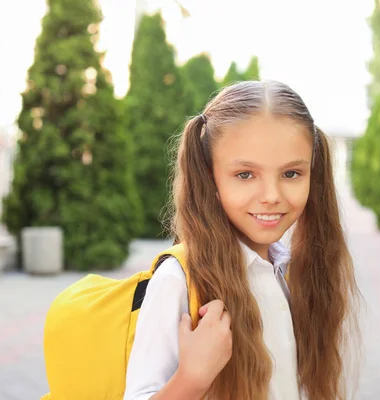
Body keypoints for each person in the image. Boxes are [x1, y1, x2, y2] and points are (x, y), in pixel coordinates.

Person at [124, 80, 363, 400]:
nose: (271, 196)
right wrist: (192, 377)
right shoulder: (179, 279)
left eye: (291, 174)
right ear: (210, 176)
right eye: (245, 175)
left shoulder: (288, 271)